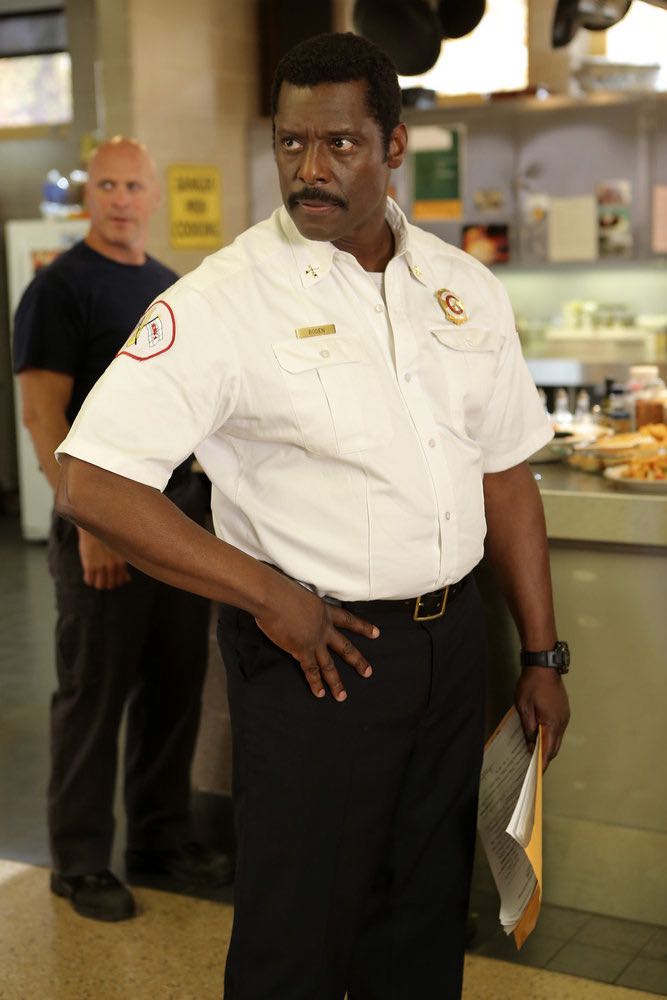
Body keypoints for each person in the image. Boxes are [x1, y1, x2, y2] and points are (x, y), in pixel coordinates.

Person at [54, 35, 569, 997]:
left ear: (393, 145)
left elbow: (503, 472)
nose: (310, 168)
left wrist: (540, 654)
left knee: (423, 916)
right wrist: (267, 596)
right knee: (297, 933)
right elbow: (91, 481)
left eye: (339, 143)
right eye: (291, 144)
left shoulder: (460, 287)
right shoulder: (225, 299)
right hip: (316, 655)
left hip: (451, 647)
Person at [13, 137, 233, 924]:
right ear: (89, 196)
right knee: (92, 695)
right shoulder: (59, 287)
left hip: (174, 521)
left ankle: (159, 839)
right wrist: (88, 522)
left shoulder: (169, 288)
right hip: (101, 526)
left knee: (173, 688)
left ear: (154, 196)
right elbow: (42, 416)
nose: (119, 199)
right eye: (105, 185)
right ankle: (77, 863)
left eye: (133, 185)